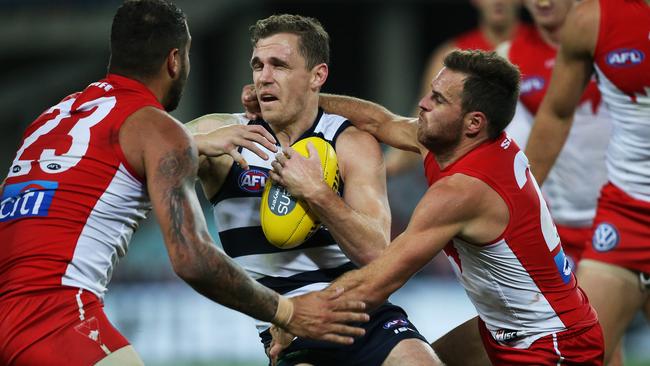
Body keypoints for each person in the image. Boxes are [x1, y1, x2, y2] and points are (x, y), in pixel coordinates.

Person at [0, 2, 368, 365]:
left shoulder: (52, 120)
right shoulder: (158, 129)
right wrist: (288, 312)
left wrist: (190, 145)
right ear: (175, 61)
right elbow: (193, 261)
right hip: (58, 317)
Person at [267, 50, 605, 365]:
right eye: (431, 92)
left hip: (554, 344)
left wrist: (292, 314)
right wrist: (300, 102)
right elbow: (380, 121)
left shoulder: (463, 190)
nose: (423, 104)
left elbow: (378, 281)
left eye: (438, 100)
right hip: (505, 327)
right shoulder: (461, 144)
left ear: (473, 123)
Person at [187, 14, 439, 366]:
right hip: (290, 327)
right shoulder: (226, 135)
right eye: (258, 65)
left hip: (363, 316)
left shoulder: (349, 142)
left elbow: (377, 255)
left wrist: (317, 192)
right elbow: (145, 149)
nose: (264, 77)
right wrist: (195, 143)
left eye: (279, 65)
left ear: (317, 76)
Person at [524, 0, 650, 364]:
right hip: (626, 215)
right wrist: (519, 198)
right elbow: (557, 112)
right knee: (575, 355)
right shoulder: (593, 18)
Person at [499, 0, 611, 270]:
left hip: (624, 214)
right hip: (557, 227)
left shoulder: (611, 41)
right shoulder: (508, 57)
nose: (543, 2)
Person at [386, 0, 526, 176]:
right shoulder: (450, 56)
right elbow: (425, 121)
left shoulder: (552, 48)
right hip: (472, 179)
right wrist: (384, 168)